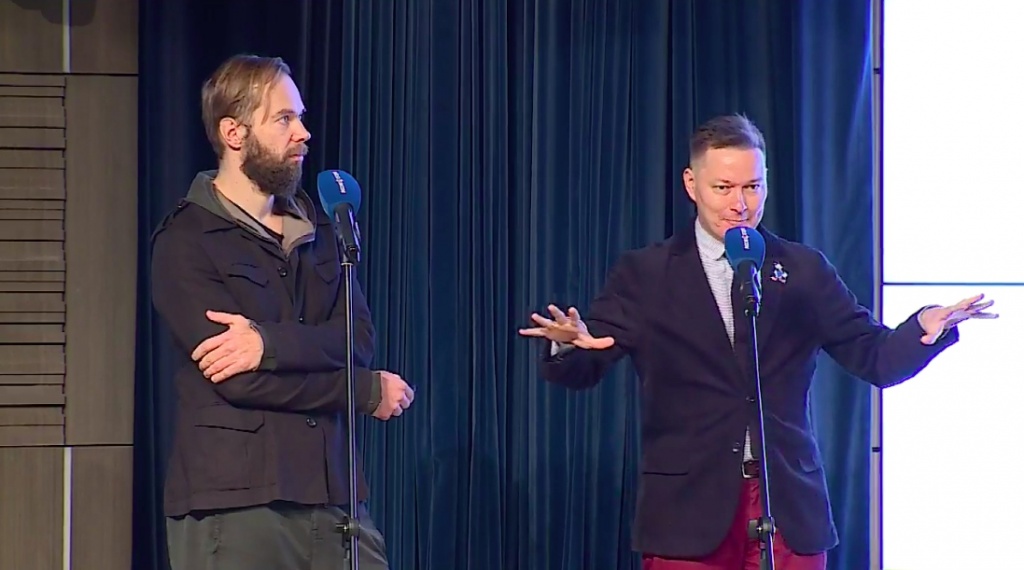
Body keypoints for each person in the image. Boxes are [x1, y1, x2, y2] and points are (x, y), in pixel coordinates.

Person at [518, 114, 997, 570]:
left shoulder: (803, 270)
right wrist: (568, 346)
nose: (740, 204)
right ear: (691, 184)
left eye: (752, 186)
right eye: (723, 188)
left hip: (787, 506)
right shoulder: (647, 274)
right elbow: (584, 367)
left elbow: (875, 358)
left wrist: (924, 329)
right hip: (687, 512)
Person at [150, 54, 414, 570]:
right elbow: (239, 380)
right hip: (239, 502)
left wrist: (267, 344)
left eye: (301, 117)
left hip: (336, 497)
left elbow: (356, 340)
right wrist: (362, 390)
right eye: (284, 118)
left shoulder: (321, 227)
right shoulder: (186, 239)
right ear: (234, 133)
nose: (303, 133)